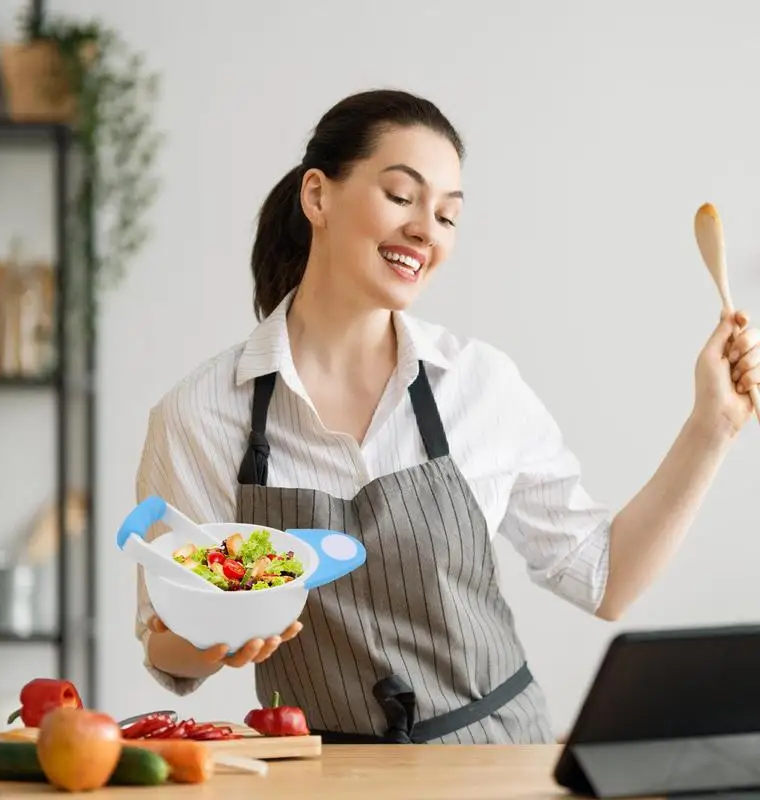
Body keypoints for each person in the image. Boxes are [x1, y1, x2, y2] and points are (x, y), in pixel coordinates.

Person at [134, 88, 760, 745]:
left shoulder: (479, 384)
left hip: (499, 760)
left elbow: (605, 580)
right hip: (326, 775)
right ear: (317, 196)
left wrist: (711, 426)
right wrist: (215, 639)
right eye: (401, 196)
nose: (425, 230)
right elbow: (165, 646)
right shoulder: (202, 413)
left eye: (447, 215)